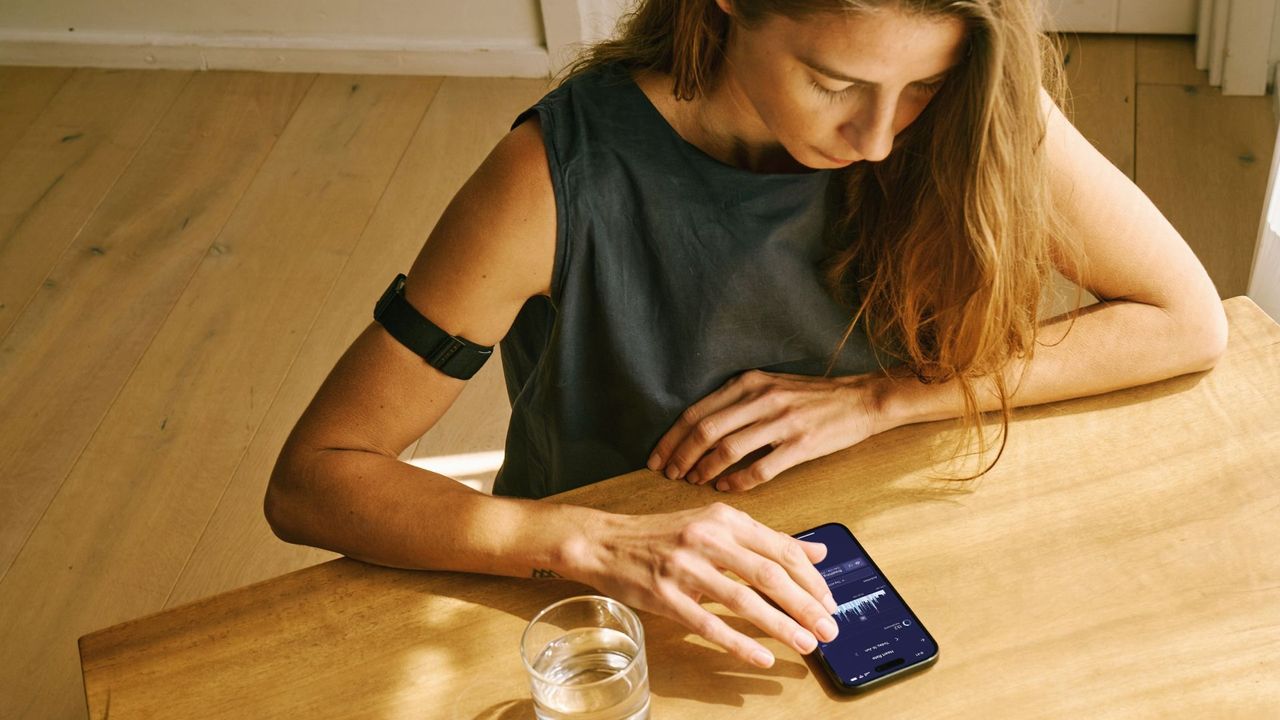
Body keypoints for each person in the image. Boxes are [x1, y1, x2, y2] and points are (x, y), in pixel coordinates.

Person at [264, 0, 1227, 671]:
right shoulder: (553, 179)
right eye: (831, 79)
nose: (881, 138)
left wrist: (883, 399)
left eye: (921, 89)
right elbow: (315, 476)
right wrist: (599, 545)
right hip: (616, 601)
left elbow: (1185, 319)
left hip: (869, 570)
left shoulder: (969, 110)